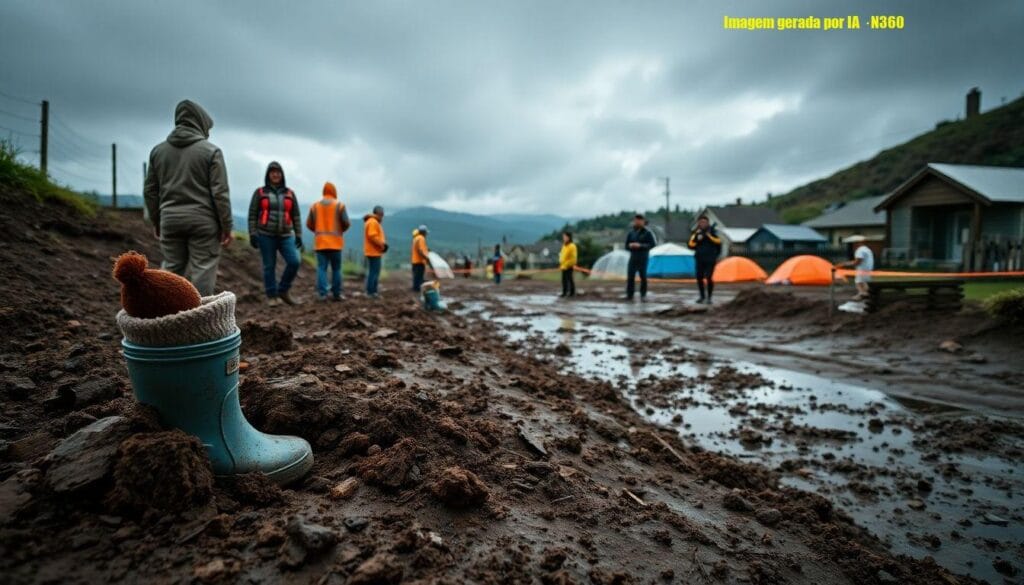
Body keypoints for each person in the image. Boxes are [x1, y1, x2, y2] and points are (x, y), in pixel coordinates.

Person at [144, 100, 233, 296]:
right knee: (203, 270)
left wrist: (157, 220)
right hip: (203, 221)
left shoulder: (158, 152)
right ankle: (198, 320)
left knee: (171, 270)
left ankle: (164, 318)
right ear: (200, 123)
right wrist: (226, 226)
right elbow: (220, 193)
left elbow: (150, 191)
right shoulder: (211, 152)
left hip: (170, 220)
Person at [248, 161, 303, 306]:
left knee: (294, 261)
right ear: (268, 175)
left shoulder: (290, 193)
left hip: (286, 235)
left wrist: (299, 234)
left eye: (278, 172)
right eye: (272, 172)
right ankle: (272, 296)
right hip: (265, 234)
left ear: (282, 175)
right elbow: (253, 214)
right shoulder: (260, 192)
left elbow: (296, 215)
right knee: (269, 266)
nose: (275, 174)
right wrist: (252, 233)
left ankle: (283, 290)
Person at [305, 182, 350, 301]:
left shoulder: (314, 206)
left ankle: (322, 294)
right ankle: (336, 294)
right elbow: (346, 223)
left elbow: (309, 224)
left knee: (321, 268)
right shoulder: (340, 205)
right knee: (336, 269)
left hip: (320, 243)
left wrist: (318, 232)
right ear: (334, 191)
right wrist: (340, 231)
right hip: (335, 243)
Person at [688, 215, 722, 304]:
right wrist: (699, 238)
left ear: (707, 223)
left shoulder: (713, 231)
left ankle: (709, 297)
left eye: (704, 222)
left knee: (709, 277)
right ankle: (702, 296)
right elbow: (691, 245)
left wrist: (708, 236)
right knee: (699, 277)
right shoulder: (696, 233)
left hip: (710, 258)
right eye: (701, 222)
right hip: (699, 258)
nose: (702, 224)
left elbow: (718, 242)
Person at [625, 214, 657, 301]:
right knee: (630, 276)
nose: (637, 222)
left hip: (643, 257)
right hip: (633, 257)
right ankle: (629, 295)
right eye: (636, 220)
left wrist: (640, 246)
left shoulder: (648, 233)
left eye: (639, 220)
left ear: (643, 221)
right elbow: (626, 246)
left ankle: (643, 295)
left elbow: (652, 244)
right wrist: (630, 246)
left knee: (643, 276)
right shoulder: (631, 233)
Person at [363, 205, 388, 298]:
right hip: (374, 252)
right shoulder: (373, 222)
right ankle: (371, 292)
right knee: (374, 272)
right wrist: (382, 245)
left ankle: (372, 291)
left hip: (373, 251)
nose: (382, 217)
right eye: (382, 214)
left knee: (373, 272)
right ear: (379, 213)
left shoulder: (371, 221)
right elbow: (372, 236)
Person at [411, 225, 430, 292]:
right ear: (424, 232)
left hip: (415, 261)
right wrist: (426, 258)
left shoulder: (416, 238)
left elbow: (420, 249)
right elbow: (420, 250)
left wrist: (427, 250)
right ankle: (417, 290)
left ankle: (415, 288)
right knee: (419, 277)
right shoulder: (421, 238)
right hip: (419, 261)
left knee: (416, 277)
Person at [559, 231, 578, 297]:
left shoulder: (572, 246)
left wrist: (567, 264)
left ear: (569, 237)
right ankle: (564, 292)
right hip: (563, 266)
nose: (563, 238)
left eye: (565, 237)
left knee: (569, 279)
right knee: (564, 280)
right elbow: (562, 255)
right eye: (563, 237)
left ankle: (572, 293)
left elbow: (573, 258)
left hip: (569, 266)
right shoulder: (564, 246)